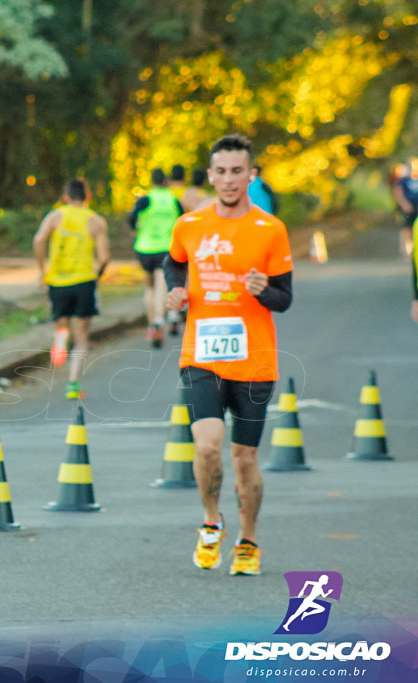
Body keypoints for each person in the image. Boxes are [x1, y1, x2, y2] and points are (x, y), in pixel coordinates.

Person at [165, 133, 293, 577]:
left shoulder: (270, 229)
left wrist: (265, 291)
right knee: (206, 447)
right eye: (220, 171)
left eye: (238, 171)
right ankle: (210, 520)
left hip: (255, 359)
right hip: (201, 354)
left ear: (251, 175)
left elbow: (285, 298)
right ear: (211, 175)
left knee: (244, 458)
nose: (229, 179)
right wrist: (176, 291)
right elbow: (173, 262)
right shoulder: (190, 225)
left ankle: (249, 537)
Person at [33, 177, 110, 400]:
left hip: (57, 281)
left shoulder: (55, 216)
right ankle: (73, 383)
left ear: (65, 197)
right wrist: (98, 273)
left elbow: (39, 240)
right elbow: (104, 257)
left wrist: (42, 268)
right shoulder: (95, 221)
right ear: (87, 197)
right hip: (84, 281)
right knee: (82, 337)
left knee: (62, 324)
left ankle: (60, 339)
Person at [130, 168, 183, 346]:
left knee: (149, 287)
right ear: (166, 181)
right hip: (165, 248)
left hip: (144, 248)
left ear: (152, 181)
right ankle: (160, 320)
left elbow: (131, 219)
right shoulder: (173, 200)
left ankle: (152, 324)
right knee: (162, 284)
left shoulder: (145, 199)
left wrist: (139, 227)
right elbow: (183, 221)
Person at [393, 158, 418, 258]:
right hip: (408, 208)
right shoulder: (403, 180)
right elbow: (398, 192)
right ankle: (405, 250)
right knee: (407, 229)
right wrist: (404, 204)